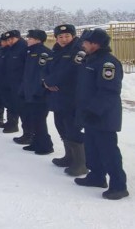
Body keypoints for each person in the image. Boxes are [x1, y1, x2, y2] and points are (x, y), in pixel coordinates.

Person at [73, 28, 128, 200]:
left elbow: (109, 91)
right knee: (92, 147)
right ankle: (96, 176)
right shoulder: (90, 60)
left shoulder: (107, 63)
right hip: (89, 114)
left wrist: (95, 111)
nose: (83, 44)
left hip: (103, 115)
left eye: (86, 42)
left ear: (95, 44)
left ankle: (119, 186)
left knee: (108, 151)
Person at [43, 24, 87, 176]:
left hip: (71, 96)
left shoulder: (79, 50)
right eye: (60, 36)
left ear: (73, 36)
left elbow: (70, 70)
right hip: (57, 96)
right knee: (60, 125)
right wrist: (46, 81)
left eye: (67, 36)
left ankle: (81, 163)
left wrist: (52, 81)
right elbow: (46, 69)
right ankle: (69, 156)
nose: (63, 39)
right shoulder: (56, 50)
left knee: (72, 128)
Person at [17, 29, 53, 154]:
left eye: (30, 38)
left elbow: (41, 74)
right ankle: (36, 143)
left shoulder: (43, 53)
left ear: (38, 40)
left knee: (39, 121)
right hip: (29, 92)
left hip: (39, 94)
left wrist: (39, 91)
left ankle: (45, 146)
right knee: (33, 120)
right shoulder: (30, 52)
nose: (28, 40)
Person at [0, 30, 27, 134]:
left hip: (19, 83)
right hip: (9, 82)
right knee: (10, 104)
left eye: (12, 39)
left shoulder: (23, 48)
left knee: (21, 108)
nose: (9, 41)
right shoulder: (9, 49)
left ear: (18, 38)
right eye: (8, 40)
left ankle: (27, 133)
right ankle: (11, 123)